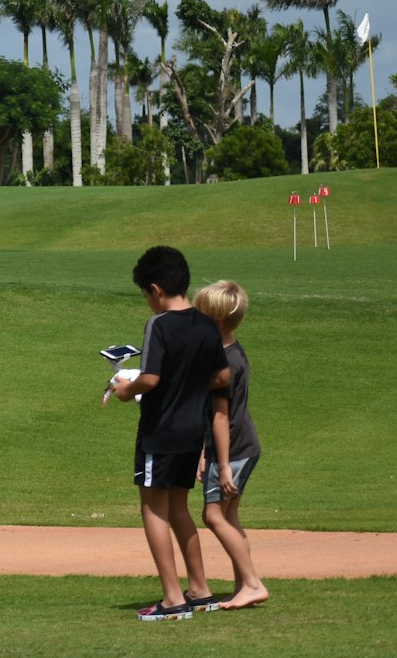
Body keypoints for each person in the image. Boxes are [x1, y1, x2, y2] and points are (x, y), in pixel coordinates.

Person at [107, 245, 230, 621]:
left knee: (153, 509)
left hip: (160, 433)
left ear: (156, 289)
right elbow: (223, 376)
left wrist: (125, 389)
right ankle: (200, 589)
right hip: (194, 432)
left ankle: (173, 598)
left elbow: (151, 377)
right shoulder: (208, 324)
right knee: (179, 508)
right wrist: (190, 382)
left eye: (146, 294)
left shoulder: (158, 325)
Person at [194, 279, 269, 609]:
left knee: (213, 516)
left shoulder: (221, 363)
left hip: (233, 450)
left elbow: (220, 418)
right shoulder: (231, 352)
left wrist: (221, 465)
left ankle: (253, 583)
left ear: (217, 322)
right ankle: (244, 586)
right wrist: (203, 452)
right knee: (230, 516)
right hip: (242, 446)